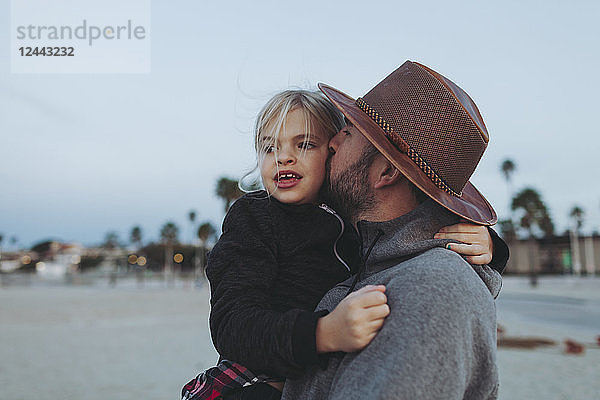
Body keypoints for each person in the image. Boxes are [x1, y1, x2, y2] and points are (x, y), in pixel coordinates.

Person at [181, 88, 508, 400]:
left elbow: (418, 228)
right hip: (251, 385)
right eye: (268, 148)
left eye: (305, 144)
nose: (283, 158)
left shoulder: (357, 229)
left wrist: (489, 246)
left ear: (387, 174)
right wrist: (321, 333)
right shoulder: (255, 216)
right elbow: (232, 322)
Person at [282, 61, 504, 400]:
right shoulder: (369, 261)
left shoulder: (433, 290)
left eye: (349, 132)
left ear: (386, 171)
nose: (331, 143)